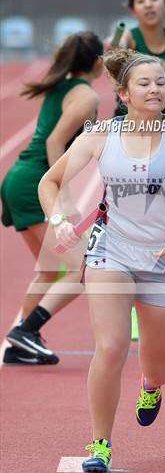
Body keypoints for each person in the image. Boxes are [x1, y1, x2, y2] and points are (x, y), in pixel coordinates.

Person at [38, 49, 165, 472]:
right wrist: (60, 218)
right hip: (111, 252)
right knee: (112, 346)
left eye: (161, 82)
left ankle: (151, 384)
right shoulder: (100, 135)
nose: (156, 89)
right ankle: (100, 444)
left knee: (158, 365)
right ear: (123, 93)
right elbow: (51, 182)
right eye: (145, 83)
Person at [1, 32, 104, 364]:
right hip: (33, 182)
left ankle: (19, 345)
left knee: (50, 269)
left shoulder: (63, 87)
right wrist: (66, 200)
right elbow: (54, 144)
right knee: (82, 267)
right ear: (97, 63)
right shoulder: (85, 96)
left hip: (20, 178)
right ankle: (25, 332)